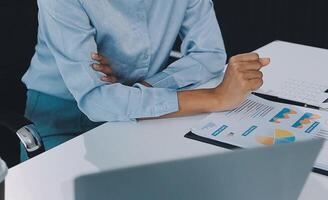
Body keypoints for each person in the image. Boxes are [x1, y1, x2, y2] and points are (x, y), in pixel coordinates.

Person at [21, 0, 270, 161]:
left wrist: (148, 88)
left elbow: (209, 54)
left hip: (143, 112)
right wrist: (215, 98)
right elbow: (96, 100)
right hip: (63, 118)